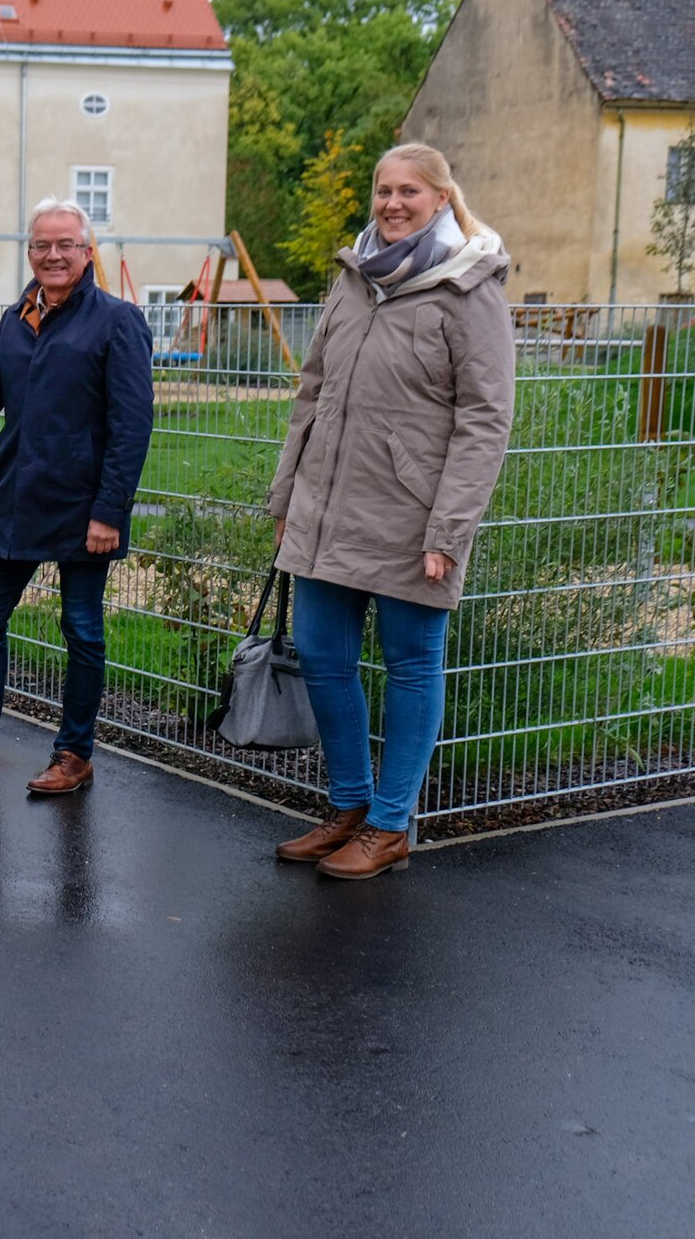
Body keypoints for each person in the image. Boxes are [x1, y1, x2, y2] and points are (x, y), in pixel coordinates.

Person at [267, 143, 515, 879]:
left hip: (414, 520)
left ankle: (390, 824)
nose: (393, 203)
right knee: (321, 655)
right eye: (383, 190)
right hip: (326, 509)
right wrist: (287, 496)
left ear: (441, 198)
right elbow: (312, 393)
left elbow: (485, 421)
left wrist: (449, 530)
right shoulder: (354, 279)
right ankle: (350, 806)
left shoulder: (469, 289)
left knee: (411, 667)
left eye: (409, 191)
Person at [0, 198, 155, 793]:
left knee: (82, 631)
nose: (53, 255)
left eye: (66, 244)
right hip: (18, 498)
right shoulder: (17, 319)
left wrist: (110, 511)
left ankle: (74, 755)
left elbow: (132, 426)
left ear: (86, 252)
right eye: (42, 245)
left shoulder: (117, 321)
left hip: (84, 508)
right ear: (30, 252)